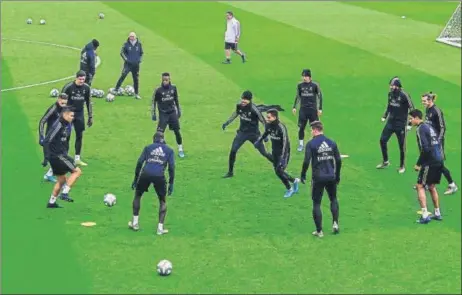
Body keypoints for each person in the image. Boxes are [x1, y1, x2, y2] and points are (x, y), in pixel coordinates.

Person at [300, 121, 342, 238]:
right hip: (331, 176)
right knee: (333, 199)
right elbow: (338, 160)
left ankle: (319, 231)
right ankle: (335, 223)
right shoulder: (331, 142)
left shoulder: (311, 144)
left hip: (318, 177)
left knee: (317, 203)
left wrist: (303, 174)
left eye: (311, 130)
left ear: (314, 130)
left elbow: (306, 161)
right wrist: (337, 175)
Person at [129, 132, 175, 235]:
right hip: (159, 175)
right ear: (163, 139)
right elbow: (171, 167)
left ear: (154, 139)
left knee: (138, 195)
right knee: (162, 201)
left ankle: (135, 223)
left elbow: (140, 162)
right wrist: (171, 183)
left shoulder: (148, 147)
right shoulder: (169, 150)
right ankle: (160, 228)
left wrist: (136, 179)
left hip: (146, 173)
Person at [221, 90, 273, 178]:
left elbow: (263, 121)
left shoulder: (254, 109)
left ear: (250, 100)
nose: (243, 101)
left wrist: (265, 135)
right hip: (242, 133)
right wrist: (227, 122)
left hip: (254, 134)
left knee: (264, 153)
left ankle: (279, 165)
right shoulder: (239, 106)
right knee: (233, 150)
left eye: (245, 99)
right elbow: (235, 114)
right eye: (242, 99)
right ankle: (230, 172)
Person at [254, 109, 300, 198]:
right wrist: (259, 141)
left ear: (274, 117)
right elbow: (266, 133)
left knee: (279, 171)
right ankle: (294, 181)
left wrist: (283, 158)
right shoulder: (268, 125)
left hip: (283, 152)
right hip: (274, 151)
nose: (266, 119)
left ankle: (289, 188)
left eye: (269, 117)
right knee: (278, 172)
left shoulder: (281, 127)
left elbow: (285, 143)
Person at [409, 109, 443, 224]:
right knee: (432, 186)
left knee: (420, 186)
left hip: (429, 161)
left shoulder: (420, 129)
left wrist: (418, 164)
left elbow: (426, 148)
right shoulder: (429, 126)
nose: (410, 121)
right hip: (438, 159)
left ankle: (425, 215)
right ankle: (437, 213)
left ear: (416, 118)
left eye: (411, 118)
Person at [43, 107, 82, 207]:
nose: (72, 117)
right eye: (71, 115)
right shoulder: (58, 125)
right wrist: (46, 157)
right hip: (58, 156)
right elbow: (47, 140)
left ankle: (51, 202)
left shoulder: (65, 124)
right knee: (77, 171)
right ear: (65, 115)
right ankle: (65, 193)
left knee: (61, 180)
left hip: (58, 155)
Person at [422, 92, 458, 195]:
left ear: (430, 100)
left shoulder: (437, 111)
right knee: (430, 161)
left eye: (424, 101)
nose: (423, 103)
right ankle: (426, 183)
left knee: (439, 164)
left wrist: (438, 140)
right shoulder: (428, 109)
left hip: (437, 142)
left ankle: (452, 185)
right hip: (431, 141)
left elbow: (442, 127)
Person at [377, 77, 414, 173]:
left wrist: (410, 124)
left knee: (401, 146)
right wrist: (385, 116)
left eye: (392, 85)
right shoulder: (390, 94)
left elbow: (412, 109)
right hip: (390, 122)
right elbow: (389, 105)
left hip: (400, 124)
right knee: (382, 140)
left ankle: (402, 166)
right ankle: (386, 161)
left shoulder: (404, 95)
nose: (391, 87)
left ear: (397, 86)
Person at [62, 70, 93, 166]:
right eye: (80, 79)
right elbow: (61, 102)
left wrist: (90, 116)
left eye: (83, 79)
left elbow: (88, 102)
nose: (81, 81)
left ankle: (77, 158)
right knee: (66, 136)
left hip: (79, 114)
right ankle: (65, 156)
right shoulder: (68, 87)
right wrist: (62, 116)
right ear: (76, 78)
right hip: (68, 114)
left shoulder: (86, 88)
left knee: (79, 135)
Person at [152, 72, 185, 158]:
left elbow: (176, 99)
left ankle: (180, 149)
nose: (165, 82)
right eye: (163, 80)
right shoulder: (158, 90)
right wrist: (154, 113)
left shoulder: (173, 88)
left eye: (166, 80)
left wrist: (179, 110)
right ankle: (157, 151)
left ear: (169, 80)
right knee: (159, 133)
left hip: (172, 113)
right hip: (163, 114)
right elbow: (153, 102)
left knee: (177, 131)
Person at [39, 93, 69, 183]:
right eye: (62, 103)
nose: (64, 105)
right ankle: (50, 173)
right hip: (51, 136)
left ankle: (49, 174)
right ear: (58, 100)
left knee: (63, 154)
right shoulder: (53, 109)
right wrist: (41, 136)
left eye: (65, 103)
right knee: (59, 155)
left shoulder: (64, 108)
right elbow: (42, 121)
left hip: (60, 135)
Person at [292, 69, 323, 152]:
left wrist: (320, 108)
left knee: (315, 128)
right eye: (303, 76)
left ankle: (315, 144)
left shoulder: (315, 85)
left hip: (313, 110)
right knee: (301, 127)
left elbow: (320, 96)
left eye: (305, 76)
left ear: (309, 77)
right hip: (303, 110)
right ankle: (301, 145)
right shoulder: (300, 85)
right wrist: (294, 107)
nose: (303, 78)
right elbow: (298, 96)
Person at [114, 32, 143, 99]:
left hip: (136, 65)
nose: (131, 37)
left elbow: (141, 53)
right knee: (123, 75)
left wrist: (139, 60)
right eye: (130, 36)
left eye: (133, 36)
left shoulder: (139, 44)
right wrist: (126, 59)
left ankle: (136, 94)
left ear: (135, 37)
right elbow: (121, 53)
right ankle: (116, 89)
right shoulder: (126, 44)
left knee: (136, 79)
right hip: (128, 65)